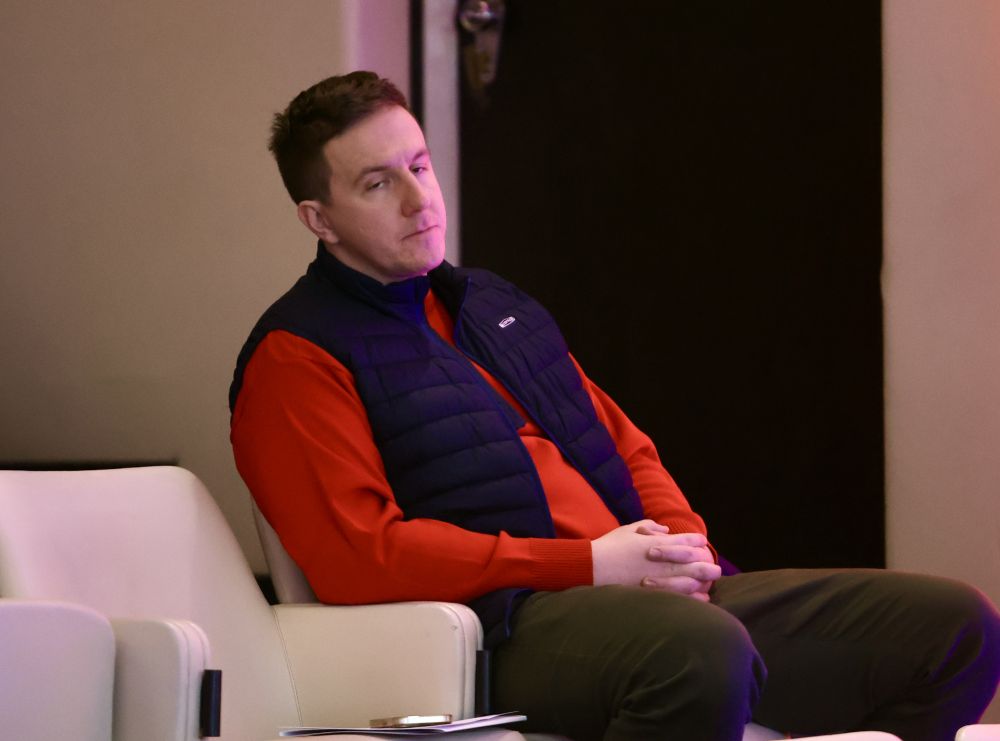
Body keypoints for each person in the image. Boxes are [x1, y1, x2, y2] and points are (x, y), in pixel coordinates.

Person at [230, 71, 1000, 741]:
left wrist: (685, 549)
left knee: (954, 630)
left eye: (420, 165)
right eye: (377, 184)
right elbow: (362, 557)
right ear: (319, 219)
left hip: (645, 592)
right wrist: (592, 565)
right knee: (697, 652)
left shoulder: (490, 303)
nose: (417, 198)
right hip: (501, 629)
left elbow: (623, 442)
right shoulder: (297, 355)